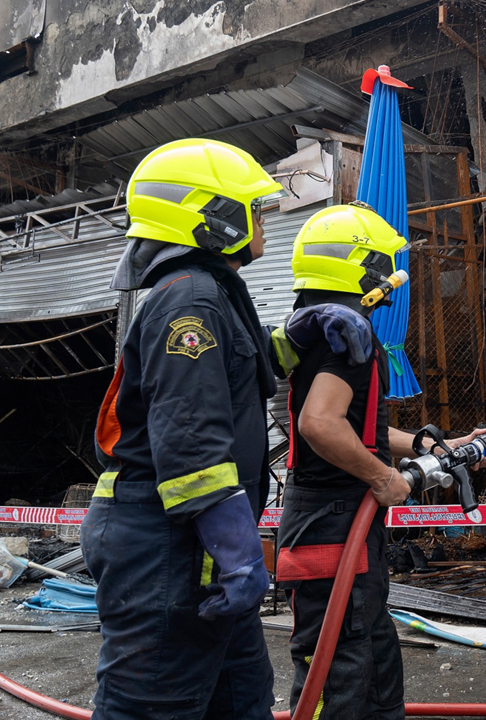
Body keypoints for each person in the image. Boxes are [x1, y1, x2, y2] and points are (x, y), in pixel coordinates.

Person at [82, 138, 371, 719]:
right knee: (152, 705)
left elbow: (244, 370)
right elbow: (191, 448)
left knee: (241, 702)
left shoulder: (211, 292)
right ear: (212, 218)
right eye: (253, 208)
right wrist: (239, 556)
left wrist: (302, 330)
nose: (262, 218)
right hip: (165, 549)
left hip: (197, 548)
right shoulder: (188, 303)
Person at [278, 203, 486, 719]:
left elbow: (356, 429)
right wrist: (382, 478)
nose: (394, 283)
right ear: (364, 270)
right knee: (340, 670)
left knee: (374, 663)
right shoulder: (347, 333)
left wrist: (423, 448)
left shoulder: (322, 328)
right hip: (333, 525)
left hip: (339, 523)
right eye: (385, 266)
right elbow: (319, 425)